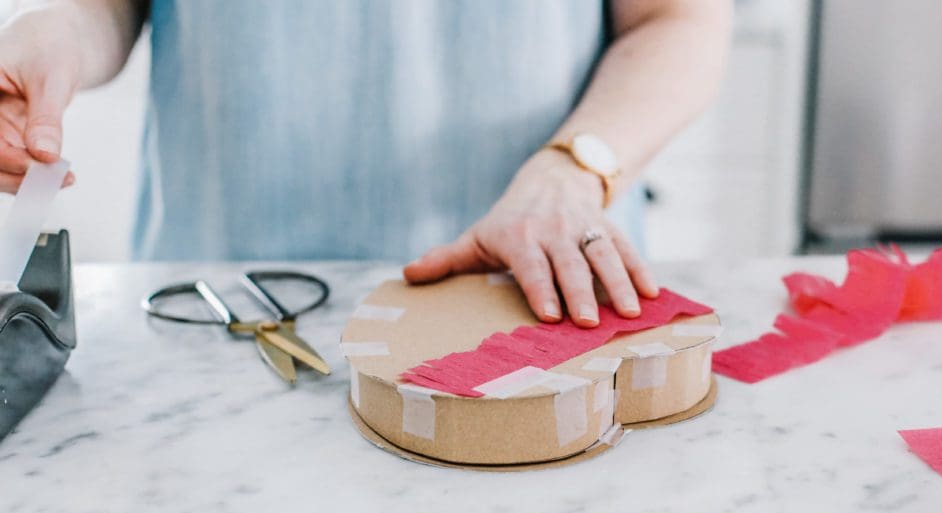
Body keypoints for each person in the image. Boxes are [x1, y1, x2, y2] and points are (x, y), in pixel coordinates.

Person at [0, 0, 730, 327]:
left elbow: (681, 18)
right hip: (225, 308)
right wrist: (55, 34)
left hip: (527, 303)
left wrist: (574, 170)